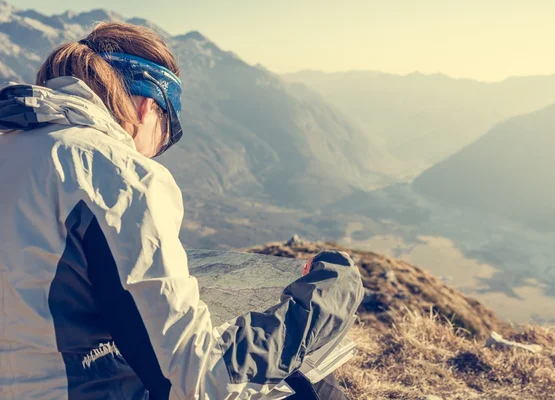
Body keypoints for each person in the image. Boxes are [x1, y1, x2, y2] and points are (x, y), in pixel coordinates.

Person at [0, 22, 363, 399]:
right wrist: (321, 304)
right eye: (169, 124)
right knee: (309, 384)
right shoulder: (114, 172)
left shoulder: (12, 149)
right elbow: (198, 381)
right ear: (147, 106)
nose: (158, 148)